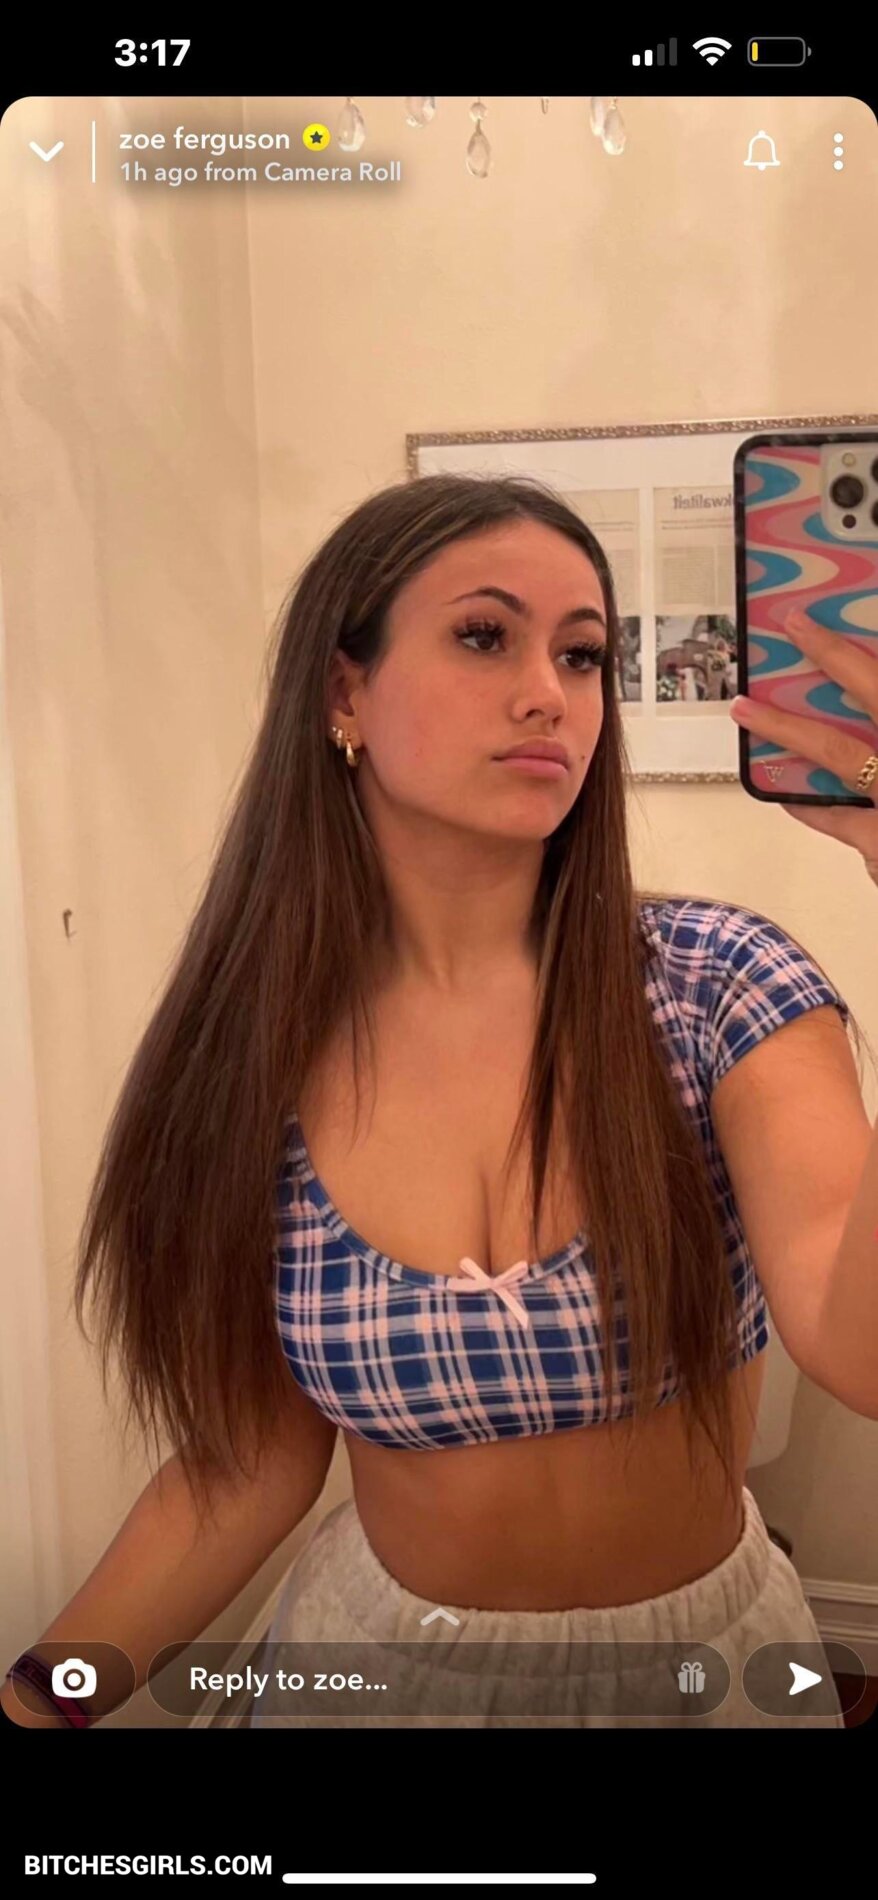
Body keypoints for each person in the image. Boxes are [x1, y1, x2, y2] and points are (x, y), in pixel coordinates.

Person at [6, 474, 872, 1731]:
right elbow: (247, 1466)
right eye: (482, 635)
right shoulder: (254, 1057)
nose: (549, 694)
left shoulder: (715, 985)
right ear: (342, 693)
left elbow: (857, 1350)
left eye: (581, 655)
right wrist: (46, 1697)